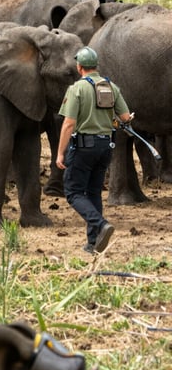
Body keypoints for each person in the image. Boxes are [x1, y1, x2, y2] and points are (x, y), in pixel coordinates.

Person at [56, 46, 132, 254]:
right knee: (93, 191)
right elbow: (125, 118)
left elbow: (69, 124)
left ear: (79, 67)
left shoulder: (76, 89)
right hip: (106, 146)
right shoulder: (111, 87)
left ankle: (100, 224)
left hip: (83, 147)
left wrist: (60, 153)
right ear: (95, 66)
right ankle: (93, 242)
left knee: (73, 192)